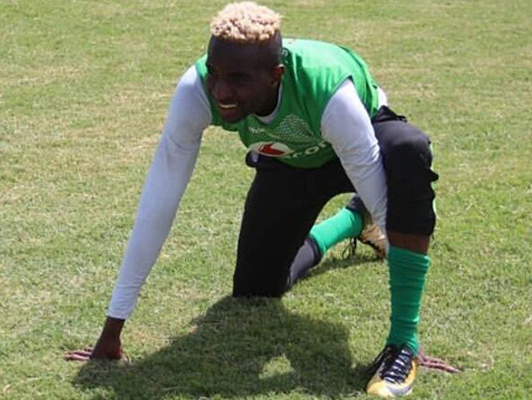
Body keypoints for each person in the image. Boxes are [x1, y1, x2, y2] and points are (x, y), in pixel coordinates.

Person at [66, 2, 450, 397]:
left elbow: (381, 199)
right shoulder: (196, 90)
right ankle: (352, 221)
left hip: (358, 146)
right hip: (289, 159)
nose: (221, 91)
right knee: (256, 288)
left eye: (238, 80)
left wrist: (407, 334)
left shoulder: (327, 93)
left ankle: (401, 348)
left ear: (275, 76)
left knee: (408, 149)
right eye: (215, 74)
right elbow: (157, 205)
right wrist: (113, 328)